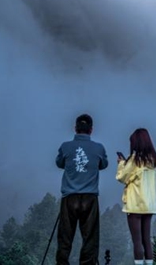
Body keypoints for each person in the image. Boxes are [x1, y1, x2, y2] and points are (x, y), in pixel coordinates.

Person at [55, 114, 108, 265]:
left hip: (69, 196)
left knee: (65, 235)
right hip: (90, 197)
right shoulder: (99, 148)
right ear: (91, 130)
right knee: (90, 237)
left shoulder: (65, 146)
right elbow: (103, 165)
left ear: (75, 129)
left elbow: (59, 163)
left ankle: (62, 263)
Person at [116, 128, 156, 265]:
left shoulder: (135, 160)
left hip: (135, 205)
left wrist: (120, 164)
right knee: (146, 240)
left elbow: (122, 177)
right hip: (150, 205)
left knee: (137, 241)